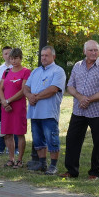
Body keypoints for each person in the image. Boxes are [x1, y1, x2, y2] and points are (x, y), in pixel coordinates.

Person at [62, 40, 99, 179]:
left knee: (98, 142)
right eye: (90, 50)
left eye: (96, 50)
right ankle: (72, 171)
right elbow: (70, 86)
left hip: (98, 111)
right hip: (79, 110)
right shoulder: (77, 66)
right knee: (72, 139)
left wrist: (88, 99)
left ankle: (95, 172)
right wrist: (80, 98)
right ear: (84, 51)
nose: (93, 53)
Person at [23, 45, 66, 175]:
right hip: (35, 112)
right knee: (38, 139)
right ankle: (42, 163)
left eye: (46, 55)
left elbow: (53, 89)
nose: (44, 58)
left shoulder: (58, 71)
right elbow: (25, 87)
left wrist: (36, 97)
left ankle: (53, 166)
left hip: (48, 112)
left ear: (53, 56)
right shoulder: (36, 71)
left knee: (51, 139)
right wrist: (29, 96)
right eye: (42, 55)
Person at [0, 48, 31, 168]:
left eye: (16, 58)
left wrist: (8, 101)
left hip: (18, 107)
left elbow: (23, 90)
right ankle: (11, 158)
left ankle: (19, 160)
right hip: (6, 107)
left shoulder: (26, 72)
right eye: (11, 58)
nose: (14, 60)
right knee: (7, 133)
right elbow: (1, 88)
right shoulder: (6, 72)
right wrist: (3, 102)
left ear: (21, 58)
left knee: (20, 133)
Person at [0, 45, 13, 155]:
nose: (8, 56)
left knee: (13, 124)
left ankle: (14, 148)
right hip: (1, 100)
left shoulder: (17, 68)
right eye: (6, 54)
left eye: (10, 53)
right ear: (3, 55)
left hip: (13, 99)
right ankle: (0, 148)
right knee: (1, 124)